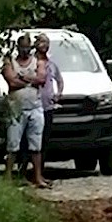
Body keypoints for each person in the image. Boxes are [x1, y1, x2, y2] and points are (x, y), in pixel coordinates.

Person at [3, 34, 50, 188]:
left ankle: (37, 177)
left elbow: (42, 79)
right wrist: (31, 79)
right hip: (15, 109)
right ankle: (8, 177)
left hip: (35, 108)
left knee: (36, 145)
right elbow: (11, 81)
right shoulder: (10, 62)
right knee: (12, 145)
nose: (25, 50)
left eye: (27, 47)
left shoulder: (39, 62)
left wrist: (22, 77)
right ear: (18, 48)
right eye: (22, 47)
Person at [35, 33, 63, 173]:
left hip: (48, 107)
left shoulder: (52, 64)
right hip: (34, 106)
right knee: (31, 140)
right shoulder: (32, 63)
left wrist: (58, 94)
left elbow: (60, 80)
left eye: (47, 43)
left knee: (45, 140)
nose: (44, 45)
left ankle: (41, 170)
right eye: (41, 42)